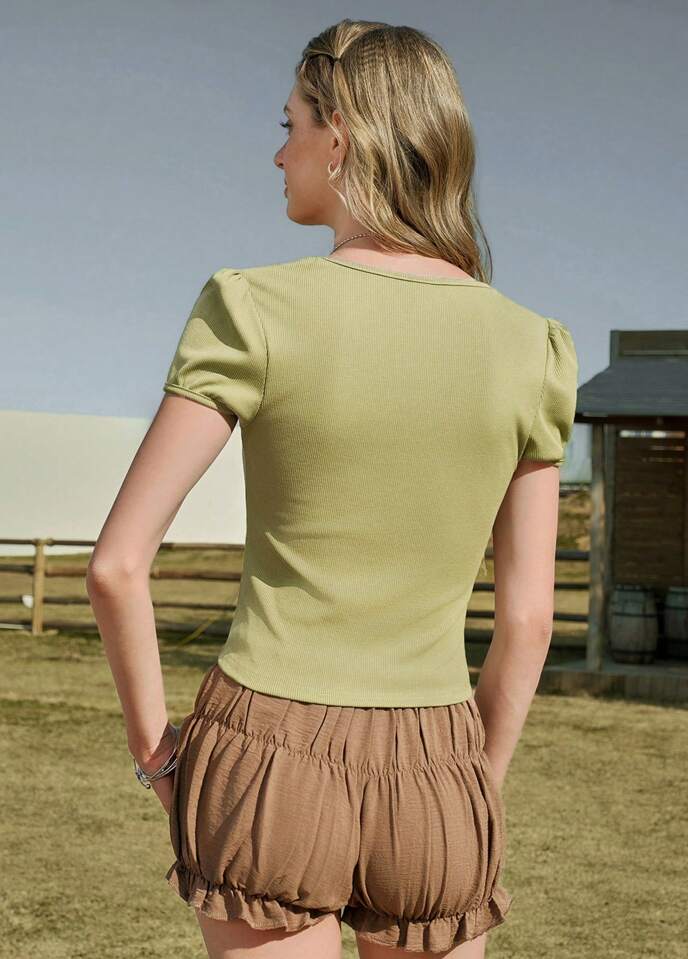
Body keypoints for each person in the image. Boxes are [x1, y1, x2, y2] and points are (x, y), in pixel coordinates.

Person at [86, 17, 578, 959]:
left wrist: (157, 755)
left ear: (340, 135)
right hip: (439, 759)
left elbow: (116, 565)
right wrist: (469, 779)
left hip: (265, 753)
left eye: (291, 124)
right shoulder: (533, 347)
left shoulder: (252, 308)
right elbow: (525, 621)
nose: (280, 153)